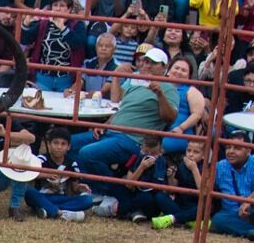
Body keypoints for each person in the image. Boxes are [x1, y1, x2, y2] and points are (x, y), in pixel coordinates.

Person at [72, 47, 177, 194]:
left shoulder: (168, 87)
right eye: (146, 61)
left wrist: (160, 95)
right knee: (70, 143)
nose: (147, 66)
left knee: (87, 153)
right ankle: (84, 185)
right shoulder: (135, 79)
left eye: (153, 63)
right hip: (113, 131)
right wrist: (105, 124)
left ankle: (113, 192)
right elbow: (119, 102)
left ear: (164, 67)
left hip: (133, 138)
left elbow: (170, 118)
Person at [24, 127, 92, 221]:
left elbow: (74, 186)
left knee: (87, 200)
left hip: (62, 197)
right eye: (56, 143)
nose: (59, 147)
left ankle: (49, 210)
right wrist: (48, 175)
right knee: (28, 192)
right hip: (44, 196)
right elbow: (30, 173)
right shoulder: (41, 159)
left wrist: (79, 188)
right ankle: (60, 212)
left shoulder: (72, 163)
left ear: (68, 147)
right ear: (49, 144)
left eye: (63, 144)